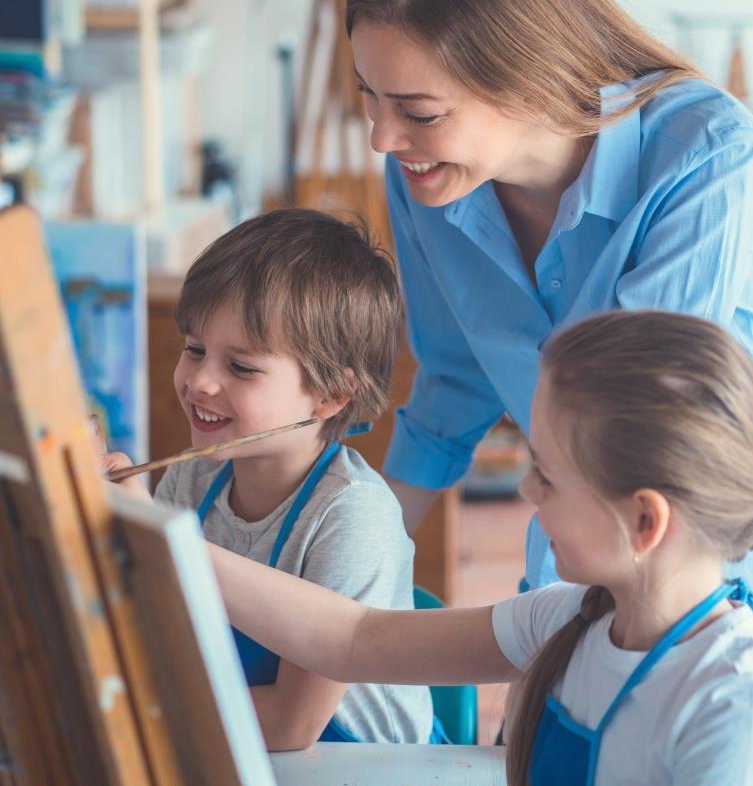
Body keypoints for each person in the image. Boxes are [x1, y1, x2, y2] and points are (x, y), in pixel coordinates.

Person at [344, 0, 753, 590]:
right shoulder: (424, 175)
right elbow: (453, 379)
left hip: (699, 569)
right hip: (575, 546)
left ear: (527, 79)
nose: (382, 138)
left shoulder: (703, 152)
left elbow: (641, 425)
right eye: (369, 96)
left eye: (417, 112)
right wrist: (357, 548)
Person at [208, 311, 753, 785]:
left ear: (643, 520)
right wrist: (178, 547)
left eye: (548, 475)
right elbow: (354, 639)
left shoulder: (729, 703)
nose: (526, 489)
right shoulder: (567, 618)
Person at [104, 208, 435, 750]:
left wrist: (129, 719)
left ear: (331, 394)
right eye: (194, 349)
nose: (200, 381)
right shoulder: (190, 483)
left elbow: (290, 724)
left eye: (242, 367)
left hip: (364, 765)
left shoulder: (352, 516)